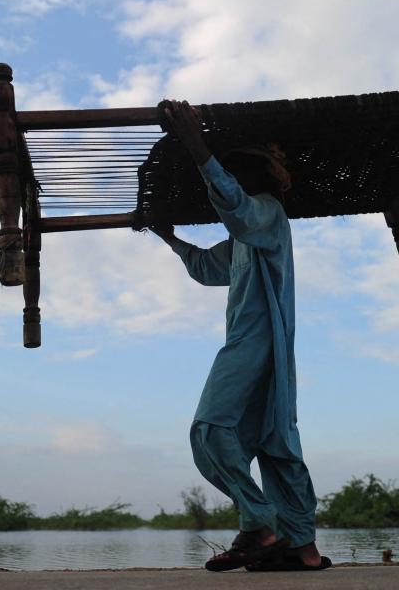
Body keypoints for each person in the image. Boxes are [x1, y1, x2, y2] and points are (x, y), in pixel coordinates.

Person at [151, 100, 331, 572]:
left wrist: (196, 145)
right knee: (277, 445)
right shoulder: (245, 239)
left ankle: (261, 525)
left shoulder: (267, 214)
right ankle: (304, 551)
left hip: (255, 342)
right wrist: (169, 238)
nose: (236, 179)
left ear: (265, 180)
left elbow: (235, 205)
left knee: (210, 429)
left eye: (243, 172)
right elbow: (206, 267)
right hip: (268, 348)